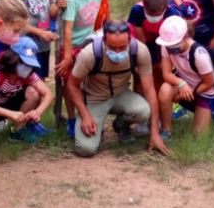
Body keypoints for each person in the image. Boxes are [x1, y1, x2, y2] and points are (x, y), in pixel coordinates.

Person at [66, 20, 168, 157]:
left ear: (130, 40)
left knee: (144, 111)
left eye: (122, 47)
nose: (117, 51)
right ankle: (96, 124)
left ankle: (121, 124)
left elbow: (150, 90)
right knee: (86, 149)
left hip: (121, 94)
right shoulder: (89, 54)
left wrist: (155, 133)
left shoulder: (140, 51)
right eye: (112, 47)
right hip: (94, 99)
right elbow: (72, 85)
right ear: (104, 41)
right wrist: (85, 115)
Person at [55, 0, 110, 139]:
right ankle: (71, 120)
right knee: (70, 83)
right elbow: (68, 29)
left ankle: (92, 116)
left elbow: (105, 15)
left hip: (92, 41)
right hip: (73, 44)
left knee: (92, 82)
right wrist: (68, 55)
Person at [0, 39, 53, 141]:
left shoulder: (27, 75)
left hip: (10, 104)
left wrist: (38, 112)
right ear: (13, 59)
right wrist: (10, 114)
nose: (27, 68)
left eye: (30, 64)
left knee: (33, 92)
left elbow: (48, 94)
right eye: (24, 63)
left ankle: (19, 130)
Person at [156, 16, 214, 138]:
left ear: (186, 37)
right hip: (183, 85)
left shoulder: (199, 54)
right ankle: (166, 131)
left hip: (204, 91)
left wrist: (188, 93)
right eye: (169, 46)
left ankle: (210, 112)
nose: (172, 49)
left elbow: (209, 83)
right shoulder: (166, 45)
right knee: (165, 90)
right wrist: (181, 84)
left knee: (200, 137)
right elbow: (166, 74)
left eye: (175, 45)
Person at [128, 0, 182, 88]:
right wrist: (144, 62)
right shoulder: (137, 10)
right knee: (141, 75)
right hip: (144, 41)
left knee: (161, 71)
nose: (153, 17)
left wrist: (163, 61)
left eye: (157, 14)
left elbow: (170, 42)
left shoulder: (172, 14)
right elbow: (141, 41)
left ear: (165, 8)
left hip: (164, 42)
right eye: (149, 13)